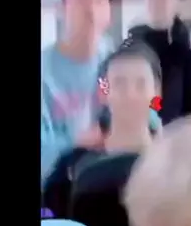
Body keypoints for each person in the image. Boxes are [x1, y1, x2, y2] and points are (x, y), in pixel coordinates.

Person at [42, 41, 162, 217]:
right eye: (119, 83)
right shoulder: (71, 168)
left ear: (157, 93)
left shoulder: (173, 164)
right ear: (102, 93)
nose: (130, 94)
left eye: (141, 84)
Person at [41, 0, 114, 185]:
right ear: (61, 8)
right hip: (57, 188)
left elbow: (152, 108)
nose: (90, 6)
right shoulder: (44, 71)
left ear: (109, 12)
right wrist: (77, 141)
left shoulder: (117, 61)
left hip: (111, 182)